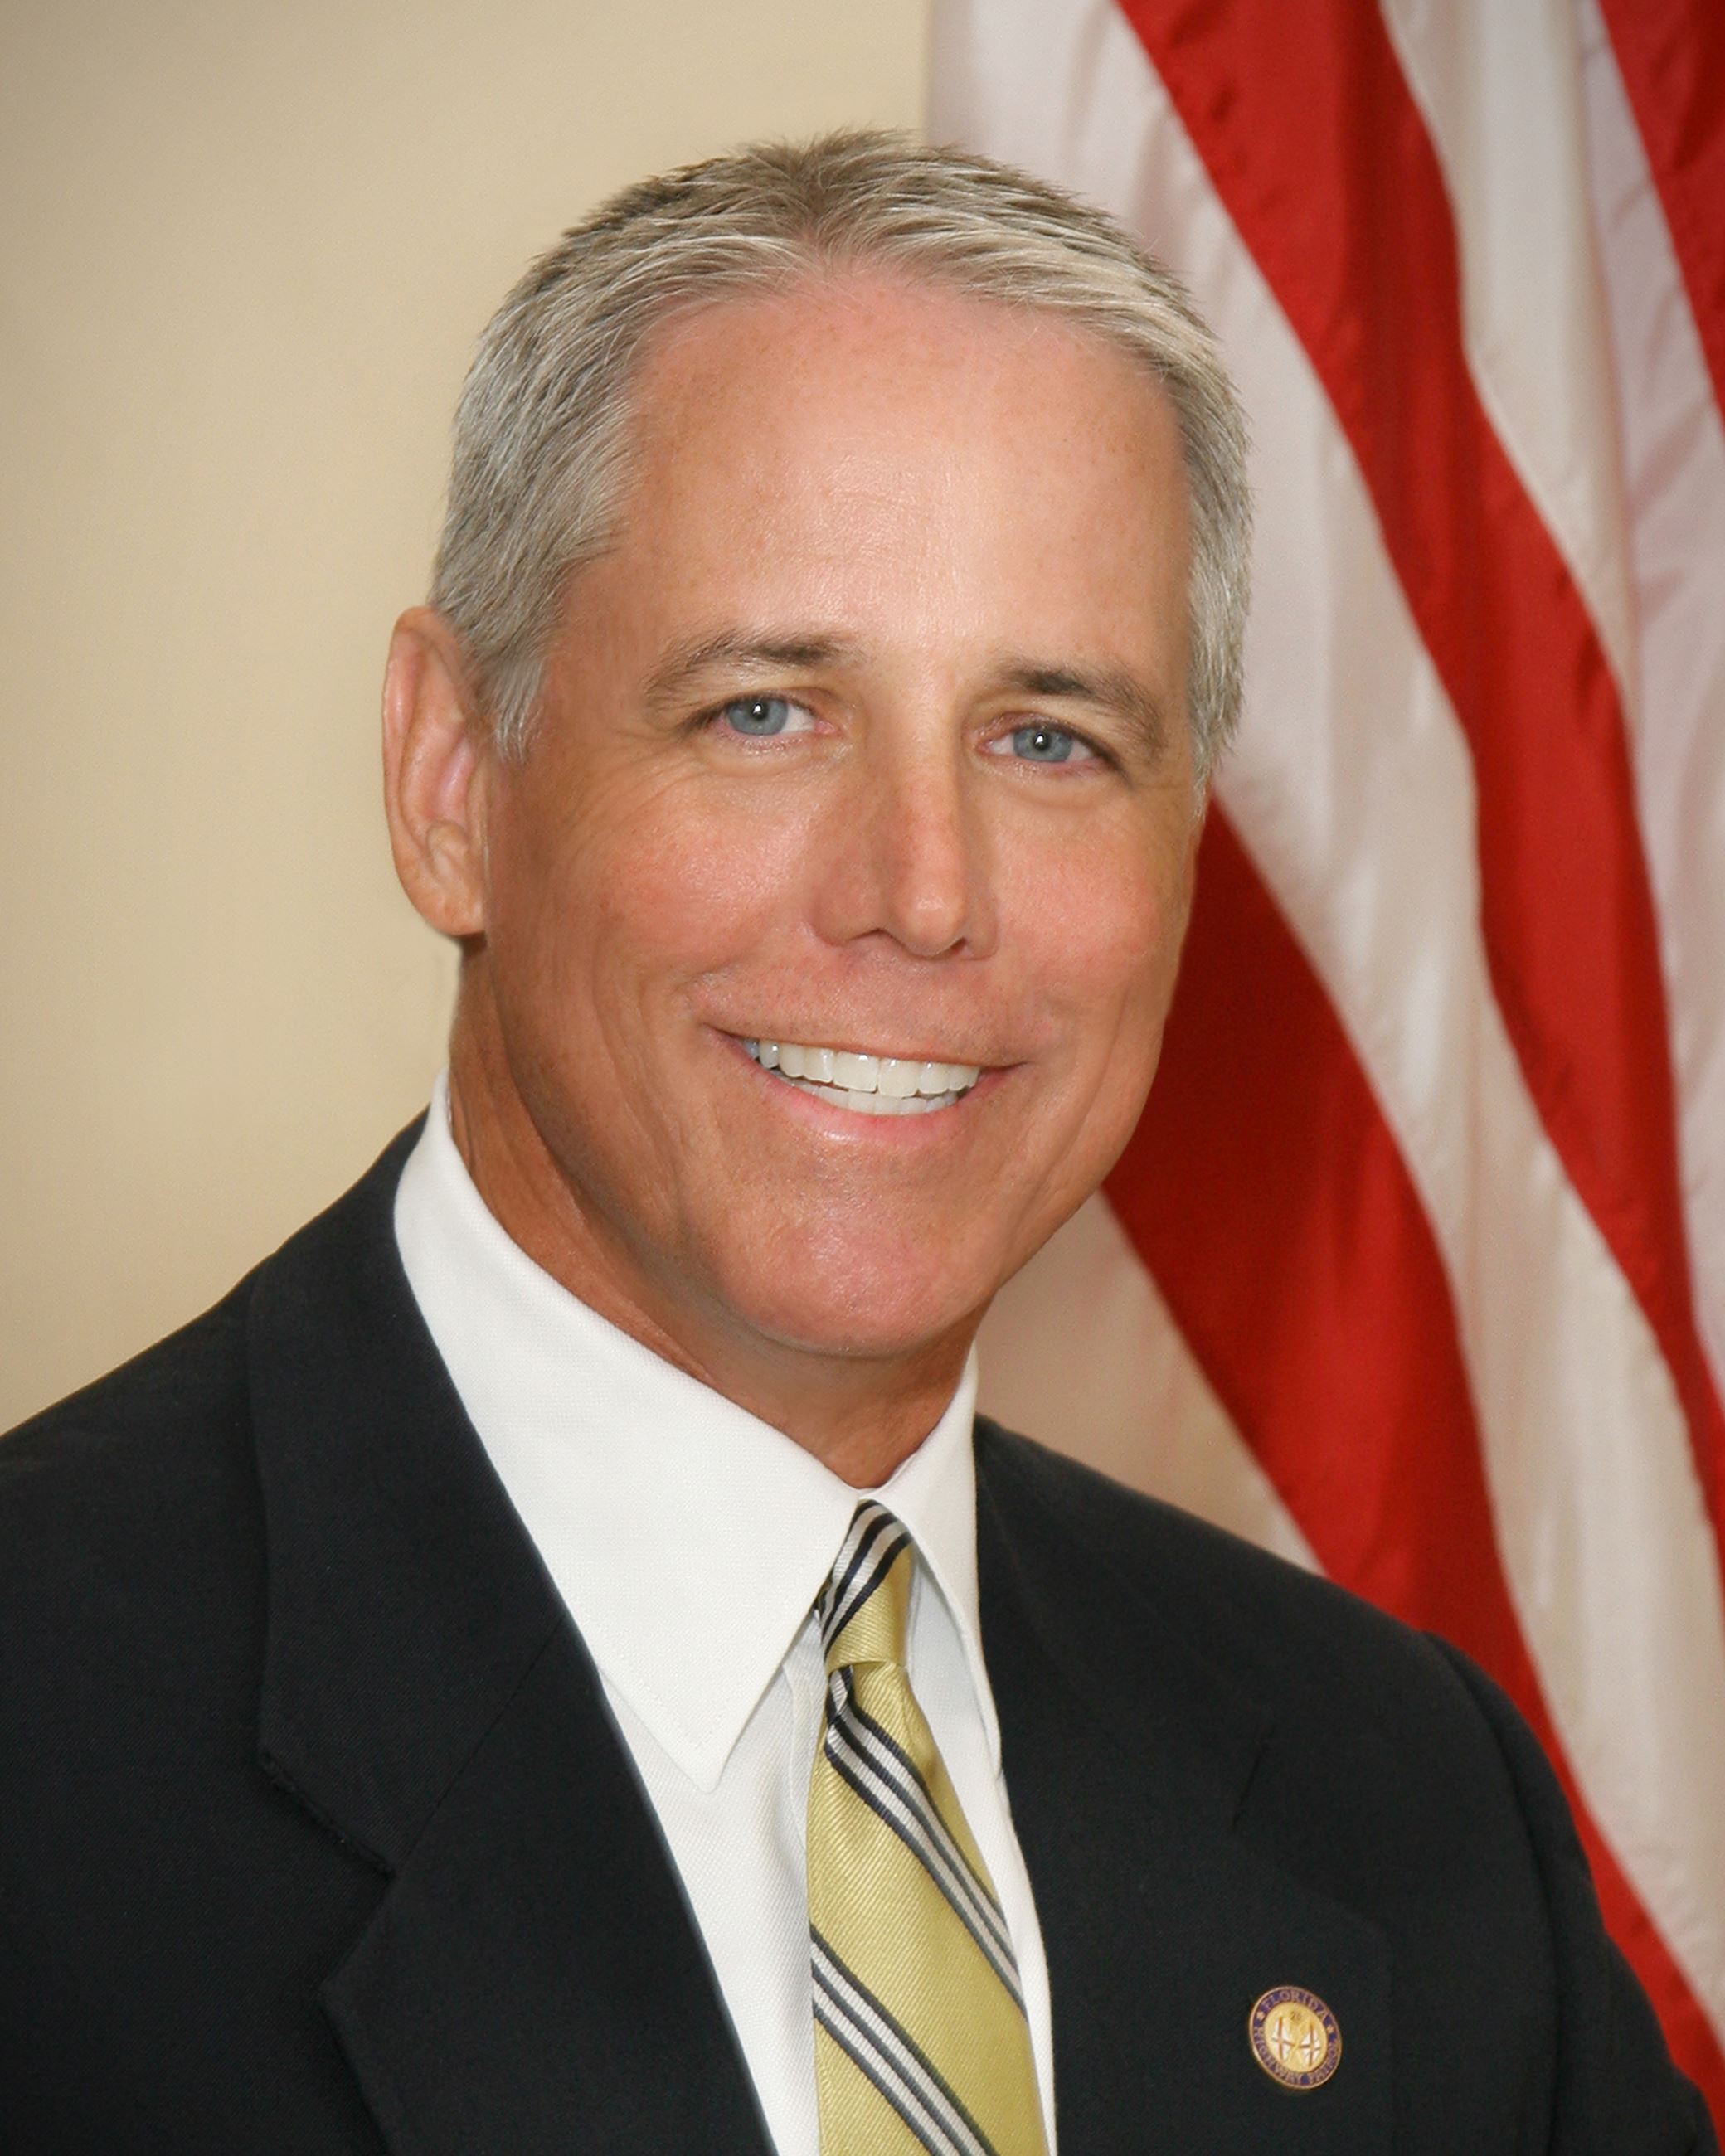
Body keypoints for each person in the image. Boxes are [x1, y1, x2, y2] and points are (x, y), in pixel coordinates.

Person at [0, 132, 1713, 2156]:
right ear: (452, 778)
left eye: (1048, 736)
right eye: (765, 710)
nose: (922, 890)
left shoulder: (1409, 1797)